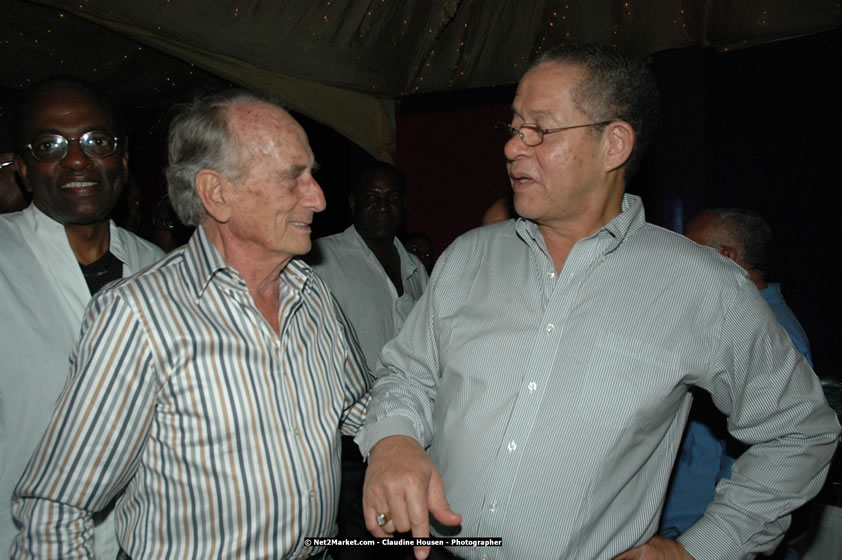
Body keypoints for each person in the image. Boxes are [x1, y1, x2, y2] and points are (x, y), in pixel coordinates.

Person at [356, 43, 840, 560]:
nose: (514, 147)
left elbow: (799, 431)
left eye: (540, 129)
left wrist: (699, 550)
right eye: (514, 127)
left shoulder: (704, 288)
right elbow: (408, 374)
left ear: (614, 144)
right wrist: (393, 439)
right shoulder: (467, 258)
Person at [11, 89, 371, 559]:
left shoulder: (312, 293)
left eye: (312, 175)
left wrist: (397, 439)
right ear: (216, 194)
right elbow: (56, 509)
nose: (319, 199)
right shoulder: (139, 315)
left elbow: (361, 410)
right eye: (293, 178)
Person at [0, 77, 164, 558]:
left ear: (124, 159)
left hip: (143, 542)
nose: (76, 159)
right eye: (51, 145)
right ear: (26, 169)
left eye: (96, 141)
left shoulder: (159, 267)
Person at [661, 208, 816, 555]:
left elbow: (765, 462)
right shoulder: (728, 323)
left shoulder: (772, 335)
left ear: (726, 257)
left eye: (690, 251)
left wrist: (695, 543)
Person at [308, 161, 428, 559]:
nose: (382, 206)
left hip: (406, 437)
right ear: (354, 202)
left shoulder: (415, 269)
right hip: (346, 446)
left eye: (392, 198)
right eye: (372, 198)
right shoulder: (323, 260)